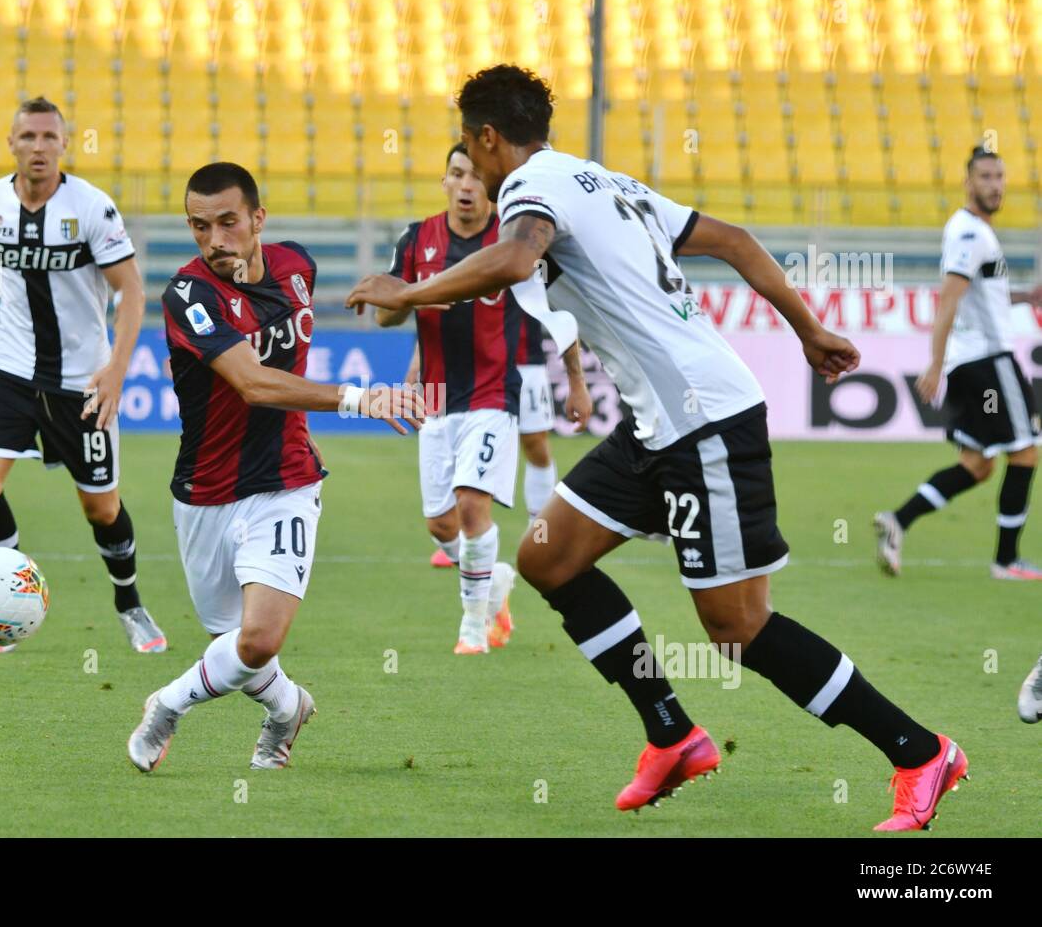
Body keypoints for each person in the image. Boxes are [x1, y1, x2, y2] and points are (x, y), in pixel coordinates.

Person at [347, 64, 966, 832]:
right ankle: (672, 734)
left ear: (486, 136)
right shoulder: (609, 183)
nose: (471, 166)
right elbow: (735, 240)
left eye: (472, 150)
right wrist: (806, 329)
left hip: (703, 420)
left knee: (737, 628)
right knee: (547, 557)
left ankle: (918, 751)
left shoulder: (529, 190)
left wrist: (406, 291)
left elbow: (511, 261)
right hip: (655, 423)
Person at [127, 163, 422, 772]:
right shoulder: (189, 296)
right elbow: (254, 384)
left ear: (258, 219)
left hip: (287, 481)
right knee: (236, 651)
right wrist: (358, 397)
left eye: (229, 222)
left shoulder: (297, 267)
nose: (215, 240)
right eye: (200, 226)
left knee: (258, 639)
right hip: (204, 492)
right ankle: (288, 709)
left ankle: (166, 707)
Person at [0, 97, 165, 654]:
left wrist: (117, 368)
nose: (39, 147)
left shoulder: (93, 208)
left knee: (101, 508)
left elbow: (131, 291)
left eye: (50, 137)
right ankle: (5, 595)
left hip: (83, 381)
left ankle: (130, 603)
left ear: (64, 146)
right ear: (11, 144)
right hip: (9, 369)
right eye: (28, 136)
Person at [381, 144, 591, 653]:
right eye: (457, 174)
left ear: (491, 186)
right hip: (435, 397)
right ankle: (491, 579)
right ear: (445, 182)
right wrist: (411, 300)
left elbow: (558, 313)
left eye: (477, 175)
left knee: (474, 506)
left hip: (494, 393)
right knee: (441, 523)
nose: (468, 185)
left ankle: (473, 623)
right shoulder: (417, 240)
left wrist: (577, 381)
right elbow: (390, 314)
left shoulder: (515, 241)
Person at [875, 146, 1042, 580]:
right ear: (968, 182)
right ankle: (1006, 561)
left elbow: (975, 294)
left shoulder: (972, 232)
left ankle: (898, 520)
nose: (994, 185)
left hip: (970, 365)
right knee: (1025, 451)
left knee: (979, 464)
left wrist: (1025, 296)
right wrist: (933, 363)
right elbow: (949, 296)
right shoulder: (971, 233)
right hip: (988, 363)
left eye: (1000, 177)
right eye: (985, 177)